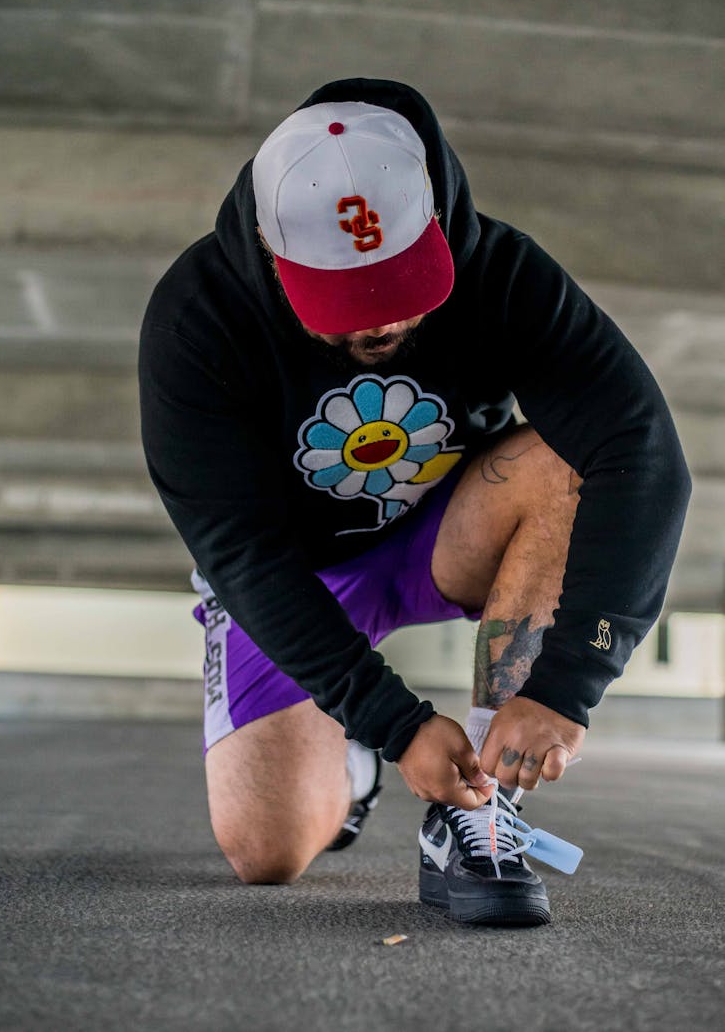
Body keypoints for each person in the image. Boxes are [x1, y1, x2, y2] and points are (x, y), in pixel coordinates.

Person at [138, 77, 690, 926]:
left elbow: (641, 450)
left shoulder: (502, 272)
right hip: (291, 572)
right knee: (267, 853)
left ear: (435, 218)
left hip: (442, 535)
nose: (378, 326)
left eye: (399, 286)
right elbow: (242, 551)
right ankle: (351, 766)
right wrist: (390, 721)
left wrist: (569, 681)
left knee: (564, 461)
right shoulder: (197, 321)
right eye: (345, 305)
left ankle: (474, 812)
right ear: (267, 248)